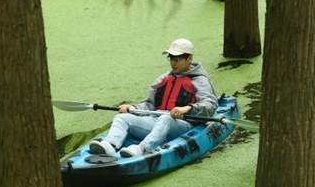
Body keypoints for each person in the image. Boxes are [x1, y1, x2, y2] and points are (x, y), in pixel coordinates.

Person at [89, 38, 218, 158]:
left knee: (166, 118)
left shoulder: (200, 80)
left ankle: (142, 149)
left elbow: (210, 105)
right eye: (171, 58)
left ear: (189, 58)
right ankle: (110, 145)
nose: (173, 63)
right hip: (156, 121)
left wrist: (187, 108)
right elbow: (150, 105)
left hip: (184, 125)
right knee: (121, 118)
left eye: (177, 59)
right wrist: (133, 108)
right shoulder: (163, 79)